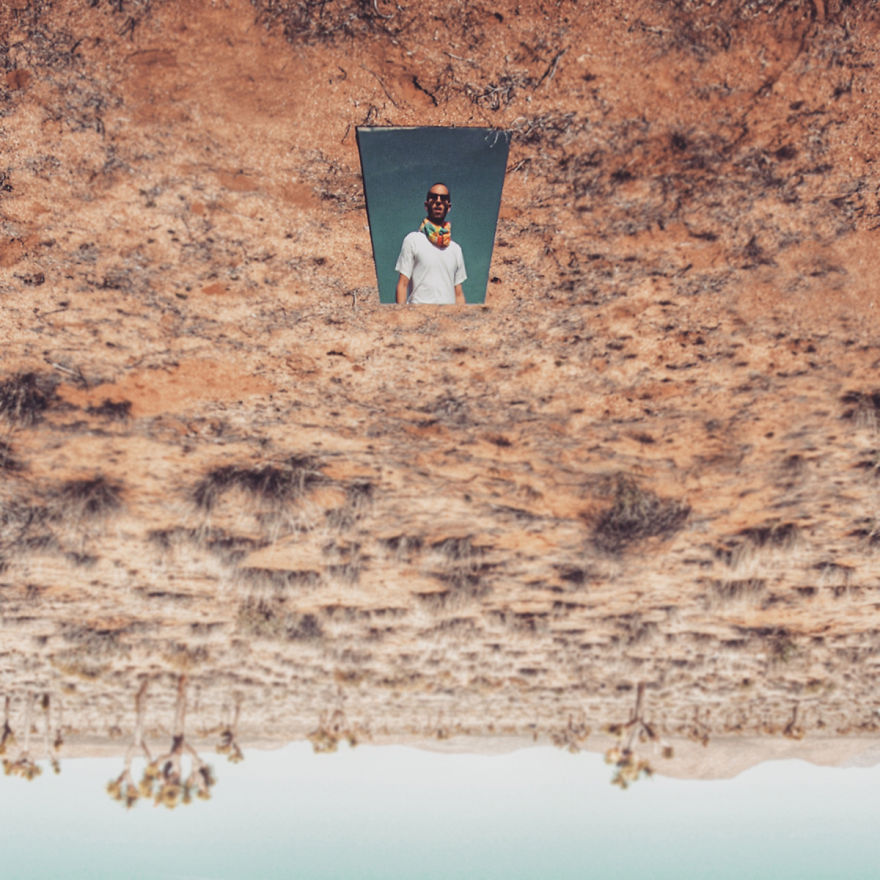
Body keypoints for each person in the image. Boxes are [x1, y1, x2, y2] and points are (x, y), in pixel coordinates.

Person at [395, 183, 467, 304]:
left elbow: (458, 293)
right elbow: (402, 285)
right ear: (426, 205)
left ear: (448, 207)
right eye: (433, 197)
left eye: (443, 198)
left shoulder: (456, 249)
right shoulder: (413, 240)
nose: (438, 201)